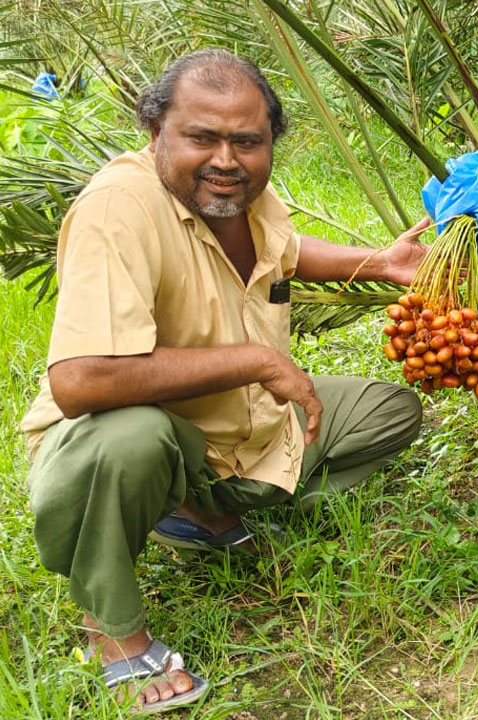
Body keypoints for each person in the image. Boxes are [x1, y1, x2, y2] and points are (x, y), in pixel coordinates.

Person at [19, 49, 431, 713]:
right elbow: (80, 381)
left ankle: (201, 513)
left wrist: (380, 262)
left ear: (270, 143)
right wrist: (259, 361)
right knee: (130, 440)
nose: (226, 159)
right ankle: (113, 633)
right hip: (121, 434)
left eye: (247, 141)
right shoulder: (118, 209)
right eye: (201, 138)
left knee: (388, 411)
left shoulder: (249, 199)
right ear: (154, 133)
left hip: (231, 429)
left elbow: (287, 255)